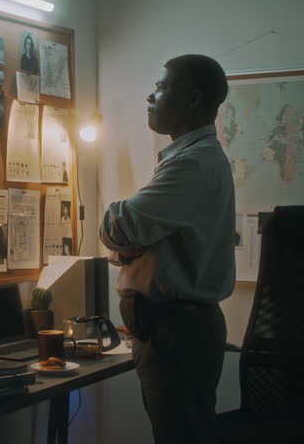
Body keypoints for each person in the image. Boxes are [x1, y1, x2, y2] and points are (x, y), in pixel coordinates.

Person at [100, 54, 233, 443]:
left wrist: (118, 228)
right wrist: (129, 244)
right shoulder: (191, 159)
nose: (150, 97)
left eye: (160, 88)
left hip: (177, 332)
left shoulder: (192, 164)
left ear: (191, 99)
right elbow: (134, 240)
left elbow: (118, 225)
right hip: (172, 328)